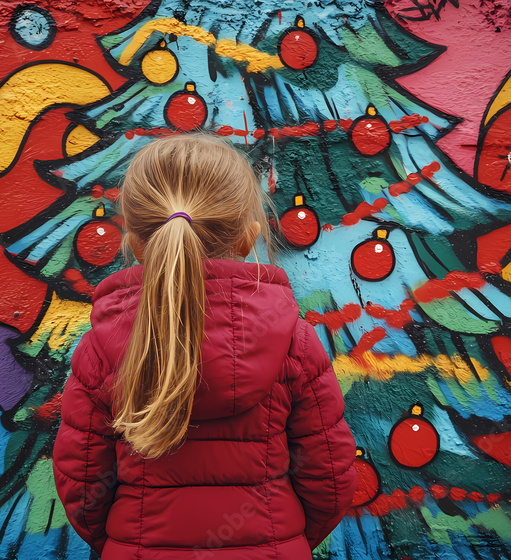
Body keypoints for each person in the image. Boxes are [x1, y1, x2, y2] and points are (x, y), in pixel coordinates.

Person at [52, 133, 357, 559]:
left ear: (136, 243)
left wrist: (123, 544)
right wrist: (286, 542)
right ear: (249, 238)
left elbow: (82, 485)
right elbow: (330, 478)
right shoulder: (294, 342)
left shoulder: (99, 350)